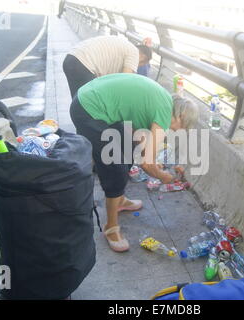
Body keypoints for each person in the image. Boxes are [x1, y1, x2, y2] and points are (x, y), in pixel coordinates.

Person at [70, 73, 198, 252]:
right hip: (89, 110)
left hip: (89, 99)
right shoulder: (163, 113)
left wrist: (151, 158)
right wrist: (164, 177)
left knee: (129, 149)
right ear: (180, 116)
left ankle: (119, 200)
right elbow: (146, 165)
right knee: (115, 168)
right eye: (184, 126)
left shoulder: (162, 101)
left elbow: (141, 140)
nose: (180, 130)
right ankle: (111, 228)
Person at [63, 35, 152, 98]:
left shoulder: (123, 47)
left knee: (78, 101)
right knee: (87, 104)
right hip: (84, 63)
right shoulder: (134, 53)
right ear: (143, 57)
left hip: (71, 57)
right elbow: (125, 84)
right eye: (141, 64)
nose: (136, 69)